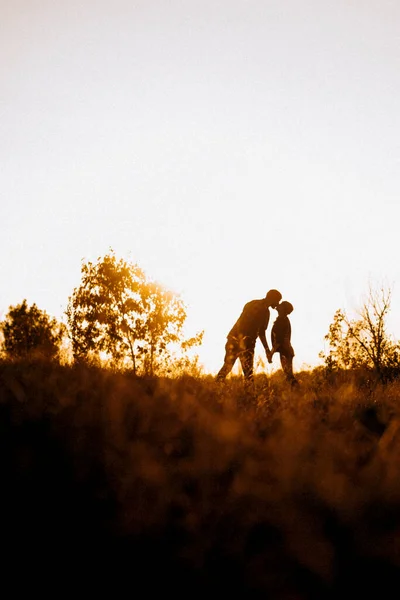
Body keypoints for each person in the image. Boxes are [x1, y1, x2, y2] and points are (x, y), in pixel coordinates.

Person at [216, 289, 282, 383]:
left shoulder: (252, 304)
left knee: (227, 367)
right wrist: (267, 350)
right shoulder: (264, 311)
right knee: (248, 373)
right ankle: (249, 396)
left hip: (234, 338)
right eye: (277, 301)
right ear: (272, 298)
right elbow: (261, 332)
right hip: (247, 342)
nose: (277, 304)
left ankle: (216, 387)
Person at [270, 300, 298, 385]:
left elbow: (279, 339)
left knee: (289, 375)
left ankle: (297, 390)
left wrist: (271, 353)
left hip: (285, 351)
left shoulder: (282, 321)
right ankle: (297, 391)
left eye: (281, 305)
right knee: (288, 375)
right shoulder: (282, 319)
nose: (279, 305)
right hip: (285, 351)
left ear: (284, 309)